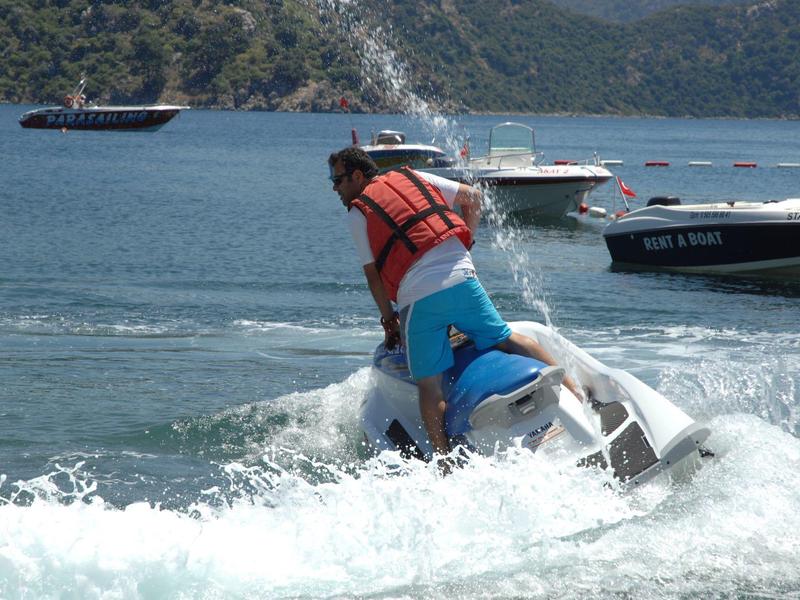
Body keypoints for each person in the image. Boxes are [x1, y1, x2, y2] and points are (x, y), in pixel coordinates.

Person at [328, 147, 582, 462]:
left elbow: (373, 278)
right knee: (508, 337)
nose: (334, 188)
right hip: (462, 278)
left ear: (357, 176)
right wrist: (465, 245)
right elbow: (474, 197)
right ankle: (578, 396)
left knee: (429, 385)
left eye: (337, 180)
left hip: (419, 297)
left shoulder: (357, 212)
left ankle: (444, 461)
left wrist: (388, 320)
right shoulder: (413, 176)